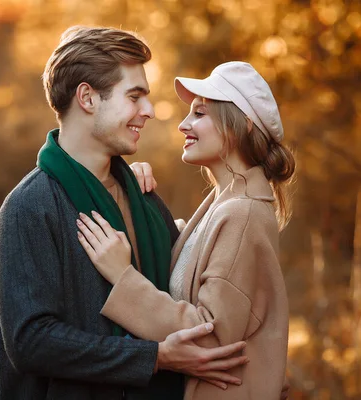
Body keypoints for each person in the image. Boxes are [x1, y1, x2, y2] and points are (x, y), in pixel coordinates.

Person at [0, 27, 251, 400]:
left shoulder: (144, 199)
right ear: (88, 98)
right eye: (134, 97)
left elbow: (190, 291)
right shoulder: (28, 209)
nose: (149, 111)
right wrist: (155, 358)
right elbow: (31, 341)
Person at [77, 61, 295, 399]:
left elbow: (210, 338)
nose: (183, 125)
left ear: (240, 125)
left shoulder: (243, 213)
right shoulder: (225, 204)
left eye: (199, 113)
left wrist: (123, 277)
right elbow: (192, 268)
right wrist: (131, 191)